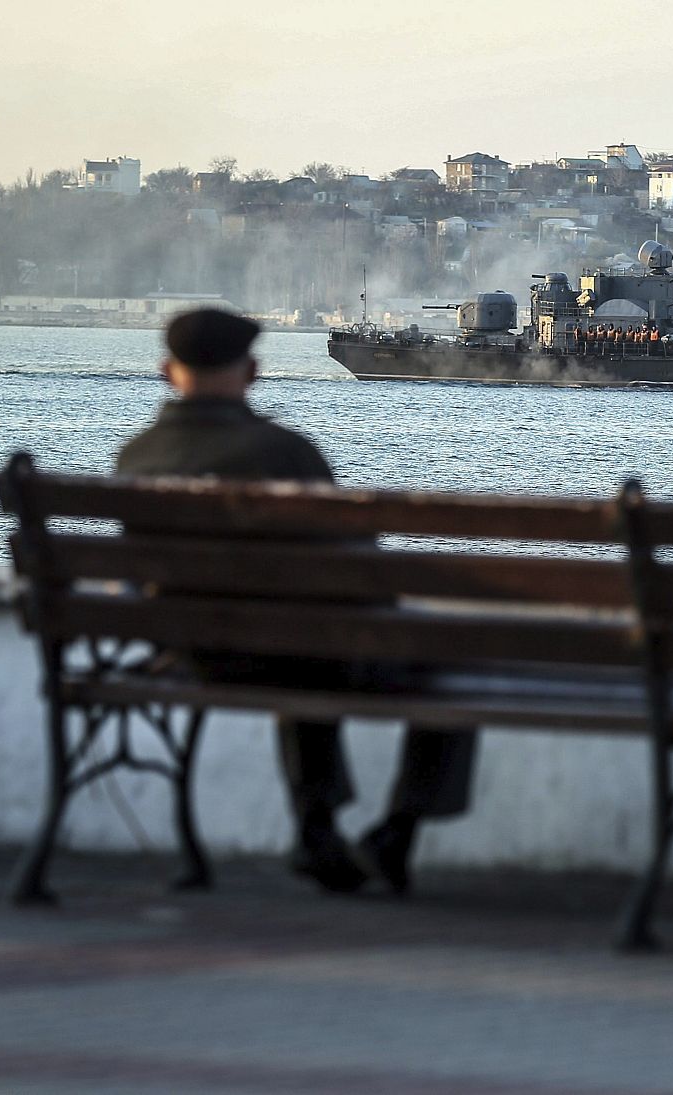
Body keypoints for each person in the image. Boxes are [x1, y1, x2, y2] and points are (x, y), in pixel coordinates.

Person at [115, 309, 478, 897]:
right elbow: (361, 568)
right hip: (291, 650)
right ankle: (394, 834)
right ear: (252, 371)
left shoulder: (134, 459)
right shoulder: (283, 453)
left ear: (165, 372)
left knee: (297, 643)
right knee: (433, 666)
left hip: (191, 655)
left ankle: (317, 828)